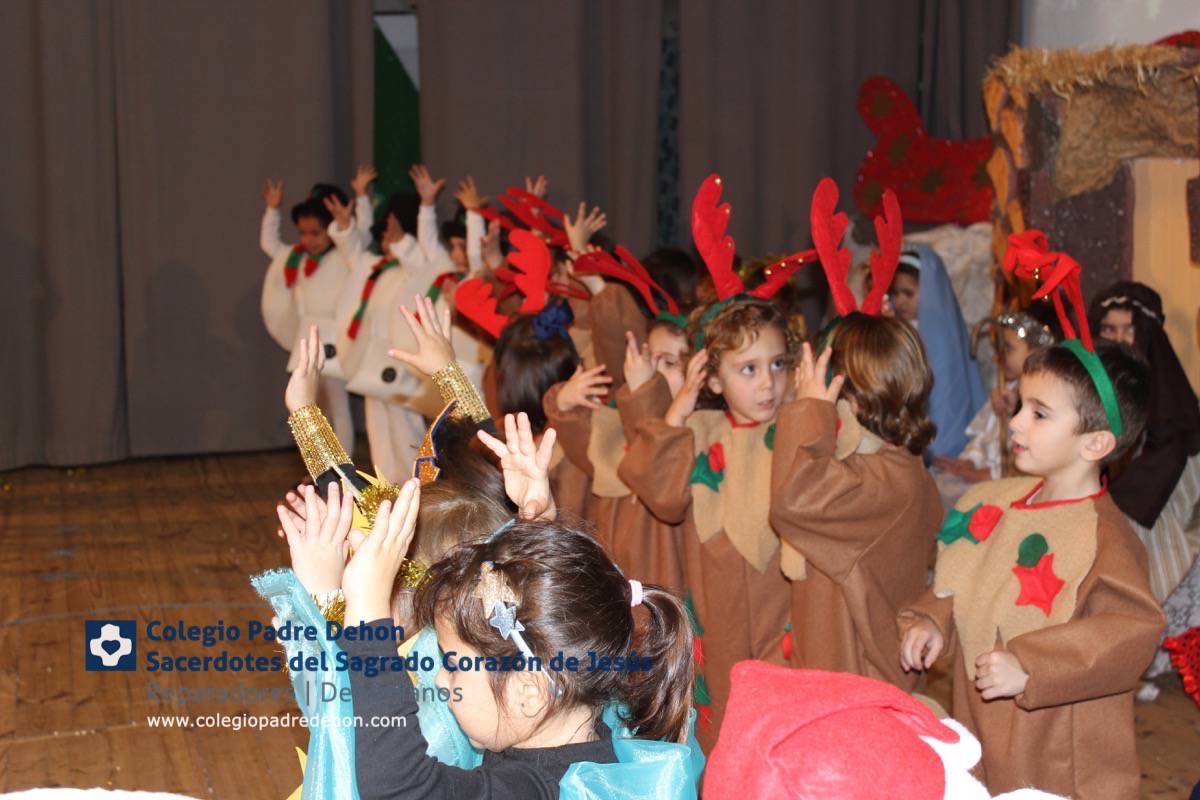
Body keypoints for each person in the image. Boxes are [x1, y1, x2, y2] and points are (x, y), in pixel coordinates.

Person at [898, 336, 1164, 798]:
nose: (1016, 421)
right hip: (980, 721)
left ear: (1096, 442)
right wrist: (933, 623)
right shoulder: (992, 504)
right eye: (1020, 405)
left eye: (1039, 413)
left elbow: (1129, 632)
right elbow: (961, 585)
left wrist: (1032, 667)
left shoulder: (1104, 538)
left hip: (1054, 746)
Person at [770, 315, 942, 689]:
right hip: (856, 669)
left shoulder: (883, 481)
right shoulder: (902, 466)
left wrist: (809, 410)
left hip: (854, 674)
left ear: (857, 401)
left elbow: (793, 501)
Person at [260, 171, 373, 450]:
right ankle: (318, 465)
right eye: (303, 233)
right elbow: (270, 245)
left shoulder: (345, 256)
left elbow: (361, 235)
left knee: (337, 405)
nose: (309, 240)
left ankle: (342, 467)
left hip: (334, 334)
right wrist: (272, 210)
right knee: (309, 405)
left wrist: (361, 198)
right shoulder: (296, 258)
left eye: (316, 233)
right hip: (307, 335)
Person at [888, 246, 987, 459]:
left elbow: (947, 388)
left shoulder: (943, 330)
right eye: (895, 293)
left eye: (909, 293)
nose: (900, 301)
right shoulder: (897, 327)